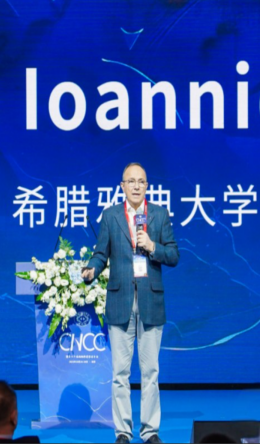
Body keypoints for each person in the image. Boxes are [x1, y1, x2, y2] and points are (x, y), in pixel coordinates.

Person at [82, 163, 179, 444]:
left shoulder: (160, 215)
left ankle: (150, 431)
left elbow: (173, 255)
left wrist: (152, 246)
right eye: (131, 181)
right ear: (122, 186)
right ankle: (123, 431)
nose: (136, 186)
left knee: (151, 372)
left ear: (147, 186)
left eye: (141, 181)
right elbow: (101, 253)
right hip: (120, 301)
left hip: (151, 302)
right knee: (120, 373)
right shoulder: (110, 216)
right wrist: (92, 269)